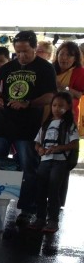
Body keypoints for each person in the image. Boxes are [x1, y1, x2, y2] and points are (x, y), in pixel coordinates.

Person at [0, 30, 57, 225]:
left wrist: (29, 102)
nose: (22, 56)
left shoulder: (45, 68)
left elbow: (51, 96)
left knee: (28, 167)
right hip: (2, 123)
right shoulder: (6, 68)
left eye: (26, 51)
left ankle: (27, 208)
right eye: (18, 52)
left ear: (35, 48)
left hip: (28, 125)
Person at [30, 92, 78, 233]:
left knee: (53, 190)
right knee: (40, 190)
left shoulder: (69, 125)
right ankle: (40, 218)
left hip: (60, 162)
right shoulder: (46, 125)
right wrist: (39, 149)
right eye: (54, 105)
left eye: (61, 106)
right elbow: (37, 143)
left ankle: (52, 221)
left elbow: (74, 144)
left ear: (68, 107)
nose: (57, 108)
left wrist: (58, 148)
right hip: (45, 161)